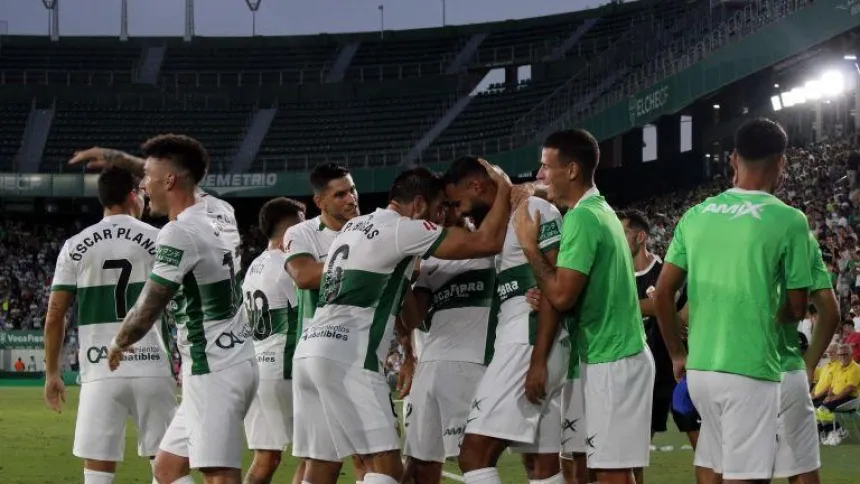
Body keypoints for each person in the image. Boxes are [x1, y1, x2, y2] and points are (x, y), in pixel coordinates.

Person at [291, 164, 512, 484]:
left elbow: (411, 318)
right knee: (385, 467)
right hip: (349, 354)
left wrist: (408, 275)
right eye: (438, 208)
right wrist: (504, 187)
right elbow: (486, 242)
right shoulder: (403, 229)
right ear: (419, 204)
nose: (440, 217)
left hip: (310, 350)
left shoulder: (355, 226)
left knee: (322, 464)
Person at [654, 118, 812, 484]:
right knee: (748, 477)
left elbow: (662, 294)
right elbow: (798, 306)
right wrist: (771, 316)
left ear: (733, 159)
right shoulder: (789, 220)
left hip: (701, 371)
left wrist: (677, 354)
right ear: (781, 163)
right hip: (750, 368)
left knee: (714, 468)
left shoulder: (696, 214)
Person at [104, 134, 257, 484]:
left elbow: (148, 308)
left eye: (148, 177)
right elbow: (186, 175)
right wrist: (116, 157)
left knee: (219, 474)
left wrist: (119, 342)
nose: (143, 185)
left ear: (170, 180)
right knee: (168, 468)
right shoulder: (221, 210)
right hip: (235, 357)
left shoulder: (179, 233)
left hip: (213, 367)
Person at [513, 129, 654, 484]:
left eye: (546, 166)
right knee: (606, 468)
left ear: (572, 170)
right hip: (615, 355)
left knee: (610, 473)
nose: (540, 175)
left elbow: (562, 296)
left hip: (614, 359)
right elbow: (570, 292)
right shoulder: (600, 211)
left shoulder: (582, 218)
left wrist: (530, 247)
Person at [44, 167, 177, 484]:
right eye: (142, 193)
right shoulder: (160, 240)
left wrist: (52, 373)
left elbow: (54, 315)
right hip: (152, 366)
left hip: (100, 370)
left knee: (98, 469)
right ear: (132, 196)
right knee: (168, 467)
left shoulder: (75, 245)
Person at [443, 156, 569, 484]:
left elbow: (558, 283)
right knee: (540, 465)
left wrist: (537, 361)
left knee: (474, 454)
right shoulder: (503, 223)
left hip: (529, 343)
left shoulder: (533, 210)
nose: (458, 212)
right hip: (528, 343)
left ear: (477, 186)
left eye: (457, 202)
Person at [282, 162, 367, 484]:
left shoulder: (371, 229)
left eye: (353, 190)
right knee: (361, 458)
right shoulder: (301, 233)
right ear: (320, 202)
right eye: (340, 194)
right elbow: (304, 275)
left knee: (331, 462)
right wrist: (367, 261)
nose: (351, 199)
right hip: (322, 353)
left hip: (361, 350)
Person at [401, 203, 497, 484]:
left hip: (469, 363)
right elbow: (413, 319)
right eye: (438, 208)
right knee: (419, 465)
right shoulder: (431, 261)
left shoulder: (490, 247)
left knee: (474, 460)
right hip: (430, 364)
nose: (441, 213)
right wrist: (402, 277)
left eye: (450, 205)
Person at [617, 210, 700, 457]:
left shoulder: (666, 272)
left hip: (675, 372)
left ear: (640, 237)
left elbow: (668, 307)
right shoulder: (617, 276)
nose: (618, 239)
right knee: (633, 455)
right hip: (637, 374)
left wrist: (620, 306)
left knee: (704, 447)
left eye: (623, 233)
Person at [241, 197, 306, 484]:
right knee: (316, 454)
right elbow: (305, 316)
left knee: (266, 457)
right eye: (303, 225)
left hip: (257, 369)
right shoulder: (289, 267)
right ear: (290, 230)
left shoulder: (255, 265)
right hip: (284, 369)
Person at [773, 232, 840, 483]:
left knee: (732, 469)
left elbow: (684, 312)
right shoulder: (797, 233)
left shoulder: (704, 226)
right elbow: (830, 312)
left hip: (724, 368)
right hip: (784, 367)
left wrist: (678, 352)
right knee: (800, 464)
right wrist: (809, 363)